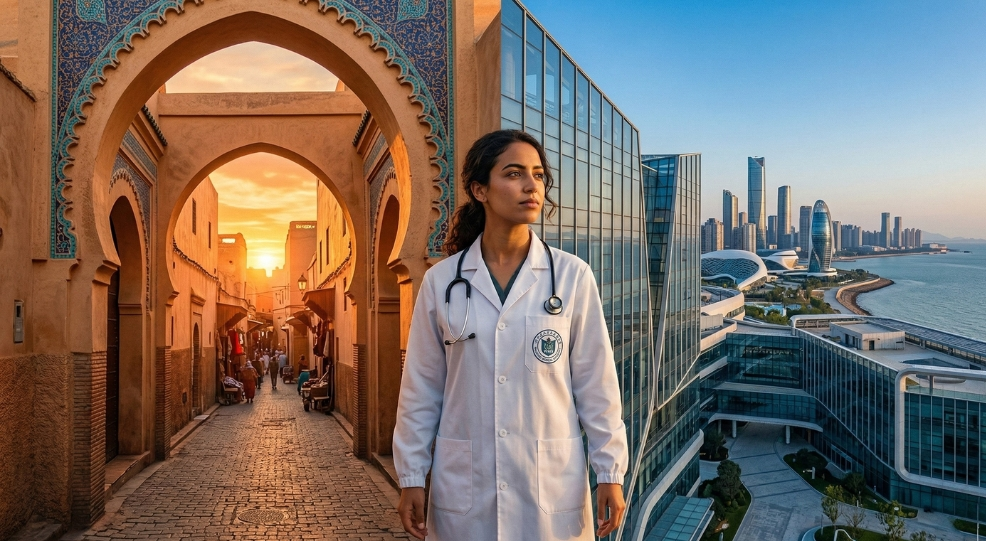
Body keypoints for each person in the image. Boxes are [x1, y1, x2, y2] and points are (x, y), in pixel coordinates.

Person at [392, 130, 628, 541]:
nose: (530, 186)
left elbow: (597, 385)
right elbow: (421, 389)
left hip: (550, 487)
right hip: (466, 487)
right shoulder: (441, 282)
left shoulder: (572, 277)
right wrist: (412, 475)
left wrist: (610, 471)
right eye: (515, 173)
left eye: (537, 175)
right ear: (479, 189)